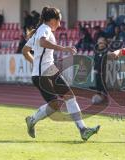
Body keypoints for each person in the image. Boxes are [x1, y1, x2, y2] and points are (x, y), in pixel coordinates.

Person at [22, 7, 100, 141]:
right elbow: (42, 42)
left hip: (50, 70)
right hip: (42, 75)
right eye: (59, 21)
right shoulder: (44, 29)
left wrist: (34, 63)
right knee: (55, 105)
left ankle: (83, 129)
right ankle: (32, 119)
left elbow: (25, 50)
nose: (60, 24)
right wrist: (63, 48)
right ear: (53, 20)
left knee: (70, 96)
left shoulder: (40, 30)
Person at [93, 36, 108, 104]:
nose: (100, 44)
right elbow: (95, 61)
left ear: (105, 43)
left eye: (101, 42)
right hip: (96, 71)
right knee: (98, 85)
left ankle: (105, 98)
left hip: (103, 71)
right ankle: (98, 97)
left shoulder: (105, 51)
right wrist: (95, 69)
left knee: (103, 85)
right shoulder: (96, 51)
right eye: (99, 43)